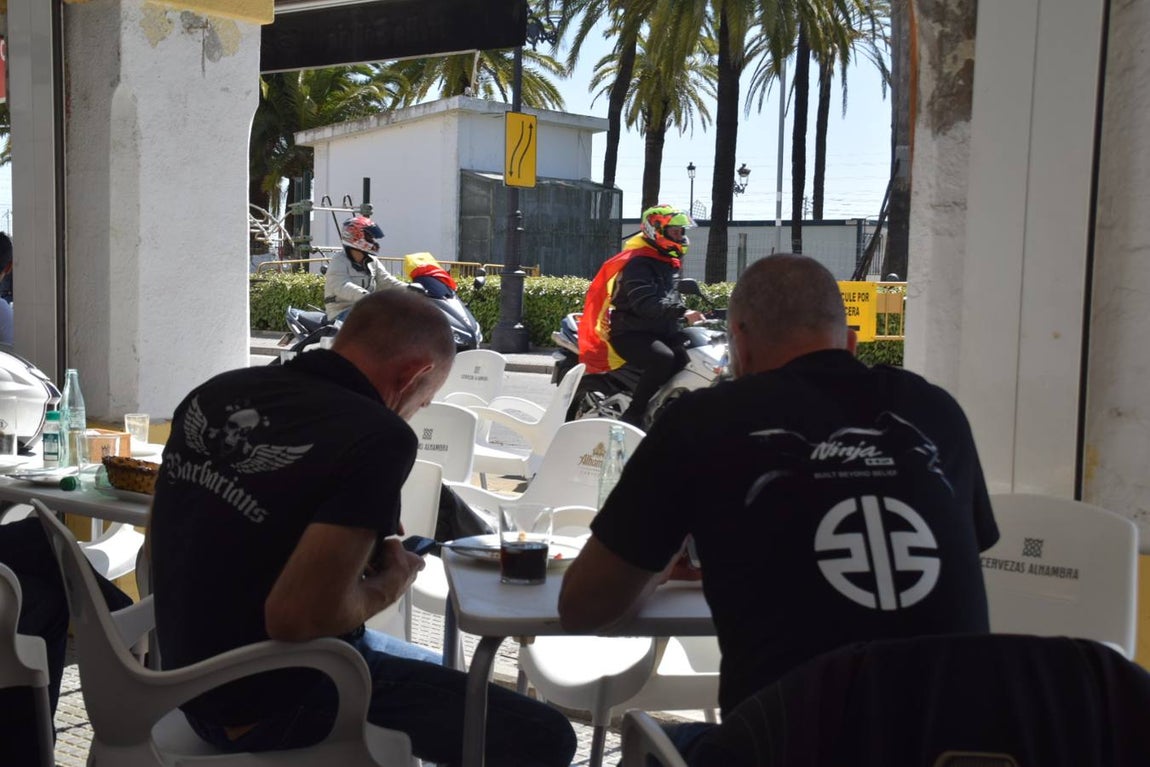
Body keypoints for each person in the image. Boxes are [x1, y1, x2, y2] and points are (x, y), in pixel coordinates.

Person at [559, 254, 999, 761]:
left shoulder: (705, 420)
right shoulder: (935, 412)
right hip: (958, 745)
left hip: (785, 747)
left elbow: (583, 607)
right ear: (849, 343)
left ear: (739, 343)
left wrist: (657, 569)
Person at [149, 290, 575, 765]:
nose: (418, 410)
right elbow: (296, 618)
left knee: (449, 672)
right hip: (268, 701)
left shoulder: (218, 392)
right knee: (544, 734)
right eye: (426, 400)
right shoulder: (377, 435)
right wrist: (388, 586)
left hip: (178, 684)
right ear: (414, 375)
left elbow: (194, 536)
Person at [578, 204, 704, 427]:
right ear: (655, 230)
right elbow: (646, 304)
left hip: (659, 329)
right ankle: (635, 414)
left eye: (681, 231)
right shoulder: (639, 263)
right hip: (631, 331)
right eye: (674, 231)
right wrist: (682, 312)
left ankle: (667, 409)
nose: (680, 236)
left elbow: (670, 297)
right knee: (663, 358)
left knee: (692, 354)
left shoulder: (666, 261)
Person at [323, 214, 406, 321]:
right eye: (369, 238)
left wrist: (411, 288)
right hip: (341, 312)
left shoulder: (372, 261)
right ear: (356, 237)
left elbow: (387, 281)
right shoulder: (338, 260)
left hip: (367, 308)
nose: (373, 242)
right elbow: (342, 286)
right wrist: (366, 296)